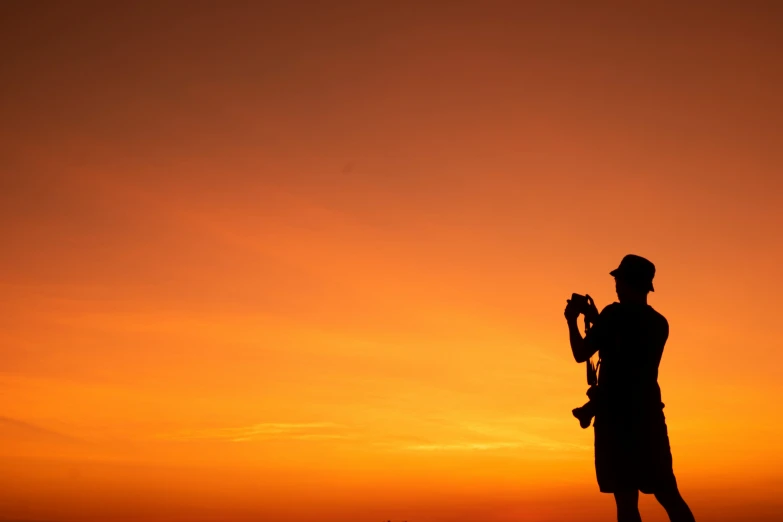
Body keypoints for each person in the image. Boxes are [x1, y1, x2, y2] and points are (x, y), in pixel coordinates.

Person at [564, 255, 696, 522]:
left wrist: (571, 320)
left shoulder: (612, 316)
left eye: (618, 279)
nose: (615, 285)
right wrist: (598, 319)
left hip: (616, 421)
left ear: (626, 282)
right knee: (669, 495)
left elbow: (581, 353)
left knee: (625, 503)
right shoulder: (659, 323)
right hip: (648, 418)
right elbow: (625, 347)